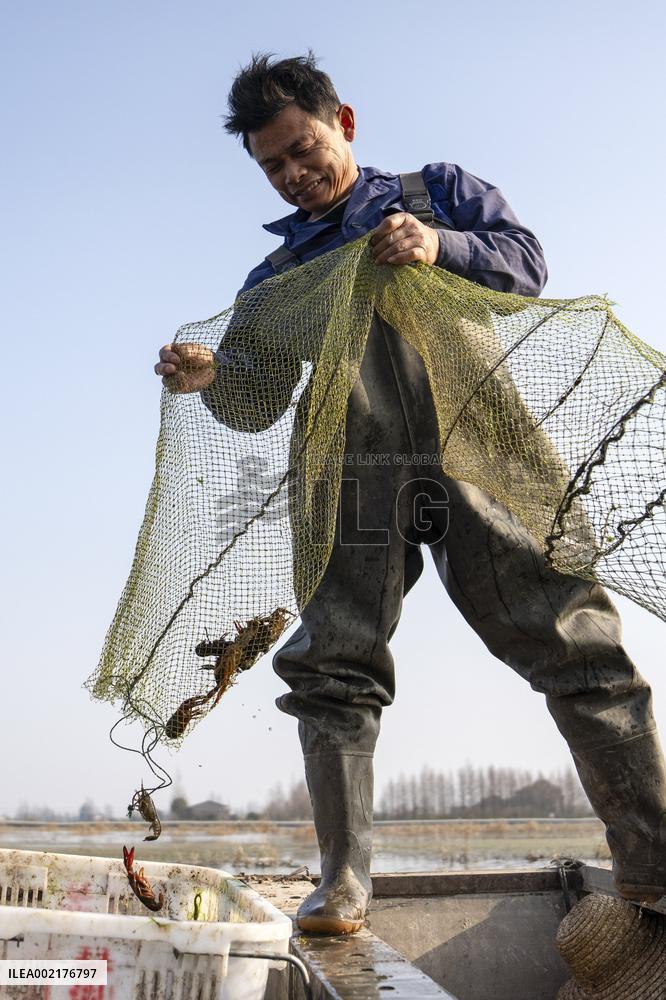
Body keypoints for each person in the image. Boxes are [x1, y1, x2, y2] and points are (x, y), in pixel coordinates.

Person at [155, 53, 666, 935]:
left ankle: (656, 862)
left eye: (304, 149)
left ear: (343, 122)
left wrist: (440, 248)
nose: (294, 173)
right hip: (351, 479)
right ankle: (343, 885)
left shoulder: (435, 194)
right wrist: (208, 379)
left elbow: (525, 263)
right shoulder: (276, 280)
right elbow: (255, 399)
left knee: (578, 644)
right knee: (332, 670)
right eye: (273, 165)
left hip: (482, 453)